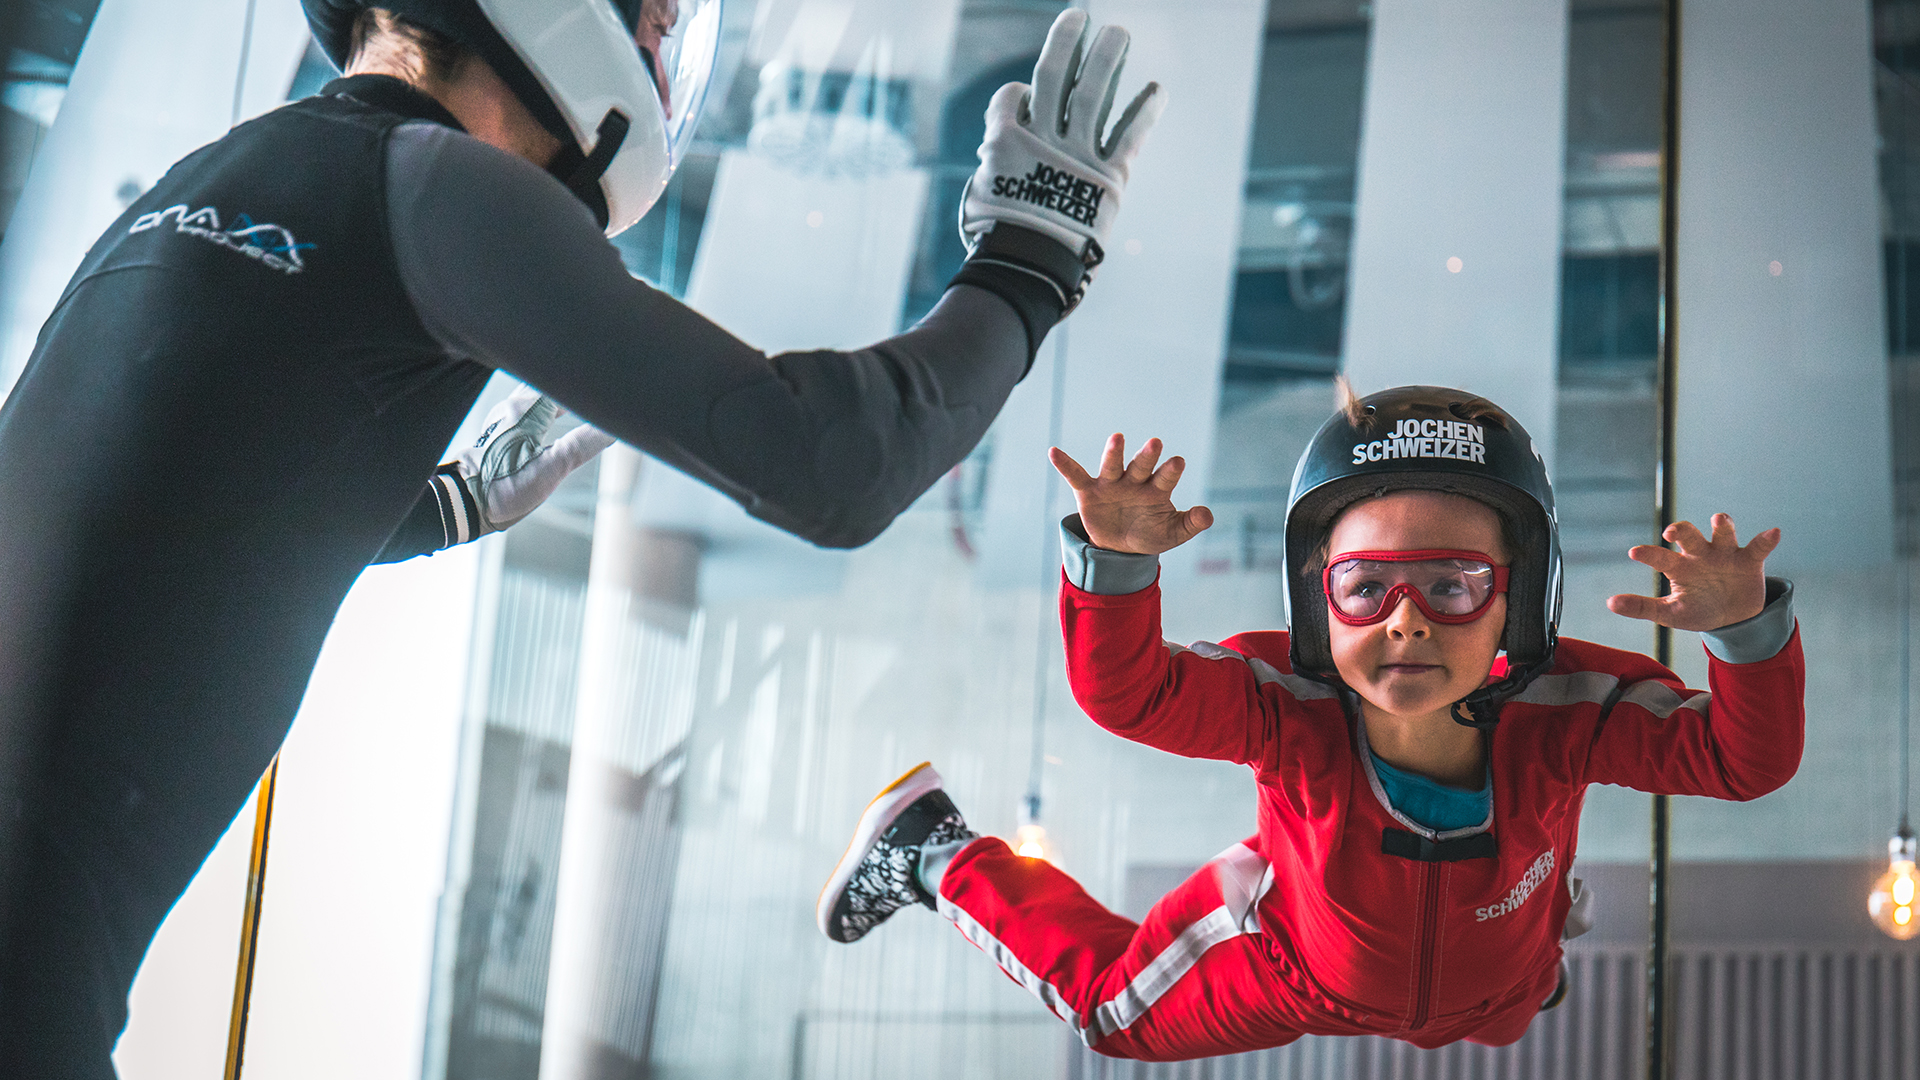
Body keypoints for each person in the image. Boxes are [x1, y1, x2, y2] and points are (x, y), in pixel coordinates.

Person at [0, 0, 1165, 1074]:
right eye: (659, 11)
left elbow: (178, 482)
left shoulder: (212, 179)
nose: (663, 39)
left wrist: (452, 503)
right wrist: (1030, 261)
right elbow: (833, 466)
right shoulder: (433, 184)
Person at [817, 385, 1805, 1060]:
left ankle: (1528, 958)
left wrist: (1747, 633)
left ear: (1519, 601)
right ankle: (936, 852)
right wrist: (1117, 570)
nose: (1407, 618)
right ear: (1314, 604)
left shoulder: (1573, 708)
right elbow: (1132, 694)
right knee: (1114, 1012)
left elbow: (1741, 760)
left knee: (1509, 1010)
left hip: (1501, 980)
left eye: (1454, 586)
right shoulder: (1286, 705)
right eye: (1365, 586)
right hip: (1297, 966)